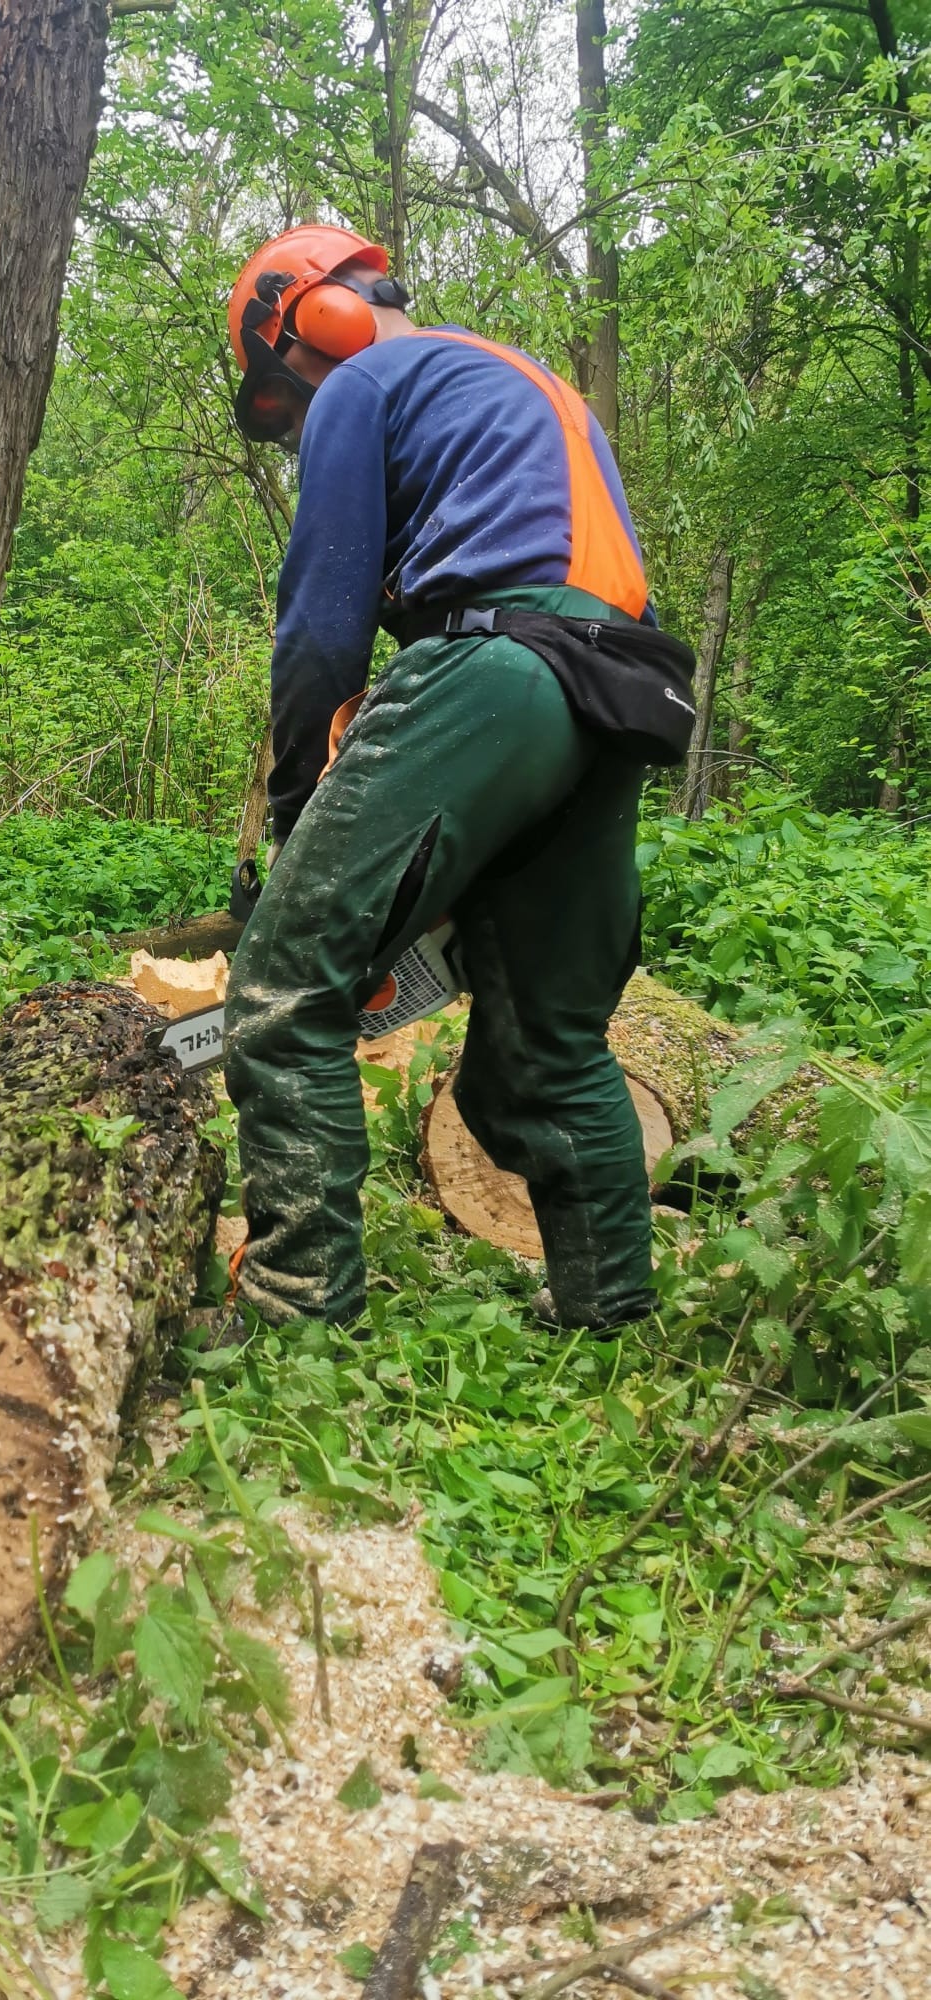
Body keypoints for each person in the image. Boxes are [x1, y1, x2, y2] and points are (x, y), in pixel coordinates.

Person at [222, 223, 696, 1334]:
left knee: (283, 995)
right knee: (541, 1052)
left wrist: (299, 820)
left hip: (498, 669)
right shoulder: (532, 388)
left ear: (312, 319)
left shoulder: (363, 382)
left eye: (286, 387)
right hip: (614, 697)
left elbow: (320, 629)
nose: (298, 413)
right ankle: (609, 1311)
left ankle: (295, 1318)